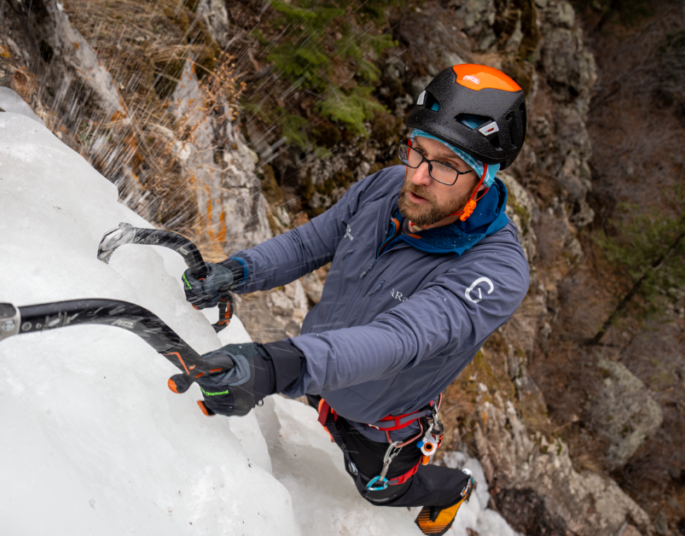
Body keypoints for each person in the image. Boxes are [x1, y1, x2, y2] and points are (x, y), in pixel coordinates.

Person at [180, 64, 530, 535]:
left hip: (380, 414)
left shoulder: (496, 270)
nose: (419, 177)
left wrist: (279, 364)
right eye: (416, 151)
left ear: (484, 178)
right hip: (321, 369)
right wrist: (236, 273)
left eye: (446, 165)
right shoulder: (387, 188)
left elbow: (402, 338)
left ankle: (453, 488)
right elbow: (310, 244)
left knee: (380, 489)